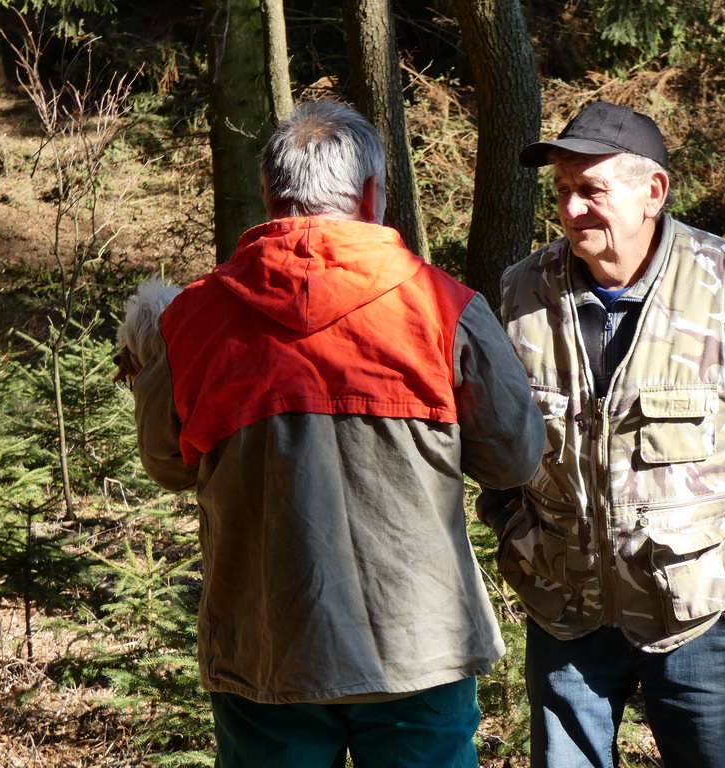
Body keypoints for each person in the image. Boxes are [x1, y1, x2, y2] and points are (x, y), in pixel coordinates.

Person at [127, 98, 545, 768]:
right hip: (417, 644)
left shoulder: (191, 320)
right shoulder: (444, 308)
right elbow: (514, 460)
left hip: (265, 644)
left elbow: (166, 465)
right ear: (373, 194)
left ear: (270, 197)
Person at [477, 100, 725, 768]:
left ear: (653, 192)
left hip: (700, 608)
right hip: (565, 608)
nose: (572, 208)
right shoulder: (523, 293)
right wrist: (512, 529)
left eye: (591, 190)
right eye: (563, 191)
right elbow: (496, 440)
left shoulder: (722, 286)